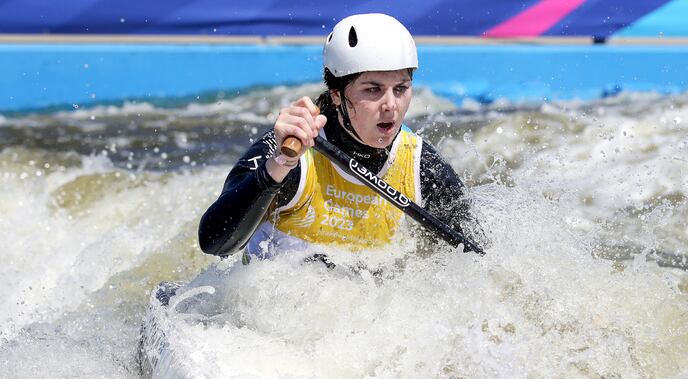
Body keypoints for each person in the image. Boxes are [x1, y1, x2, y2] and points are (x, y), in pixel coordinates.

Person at [198, 13, 482, 261]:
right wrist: (278, 167)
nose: (390, 105)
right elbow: (215, 243)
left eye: (401, 88)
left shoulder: (422, 166)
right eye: (372, 90)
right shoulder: (290, 148)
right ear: (337, 95)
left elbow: (480, 266)